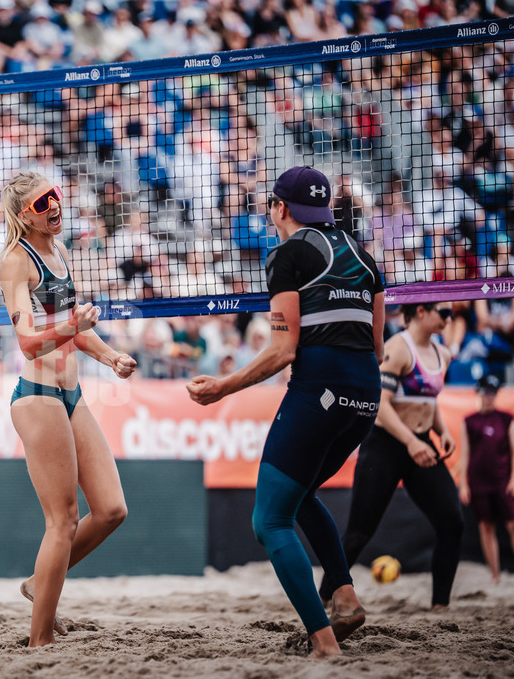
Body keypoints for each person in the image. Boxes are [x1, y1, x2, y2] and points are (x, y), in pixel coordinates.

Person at [188, 166, 385, 658]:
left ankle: (323, 644)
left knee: (269, 521)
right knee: (302, 493)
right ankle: (344, 595)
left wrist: (223, 387)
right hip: (366, 395)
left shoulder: (288, 252)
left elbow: (282, 350)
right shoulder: (364, 255)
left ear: (280, 208)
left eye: (271, 207)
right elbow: (377, 347)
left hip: (320, 388)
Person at [0, 172, 137, 647]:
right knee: (63, 521)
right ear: (23, 216)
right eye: (42, 204)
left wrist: (110, 355)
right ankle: (39, 643)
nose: (54, 206)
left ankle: (40, 584)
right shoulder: (16, 262)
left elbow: (71, 328)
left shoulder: (60, 251)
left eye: (55, 196)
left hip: (71, 394)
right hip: (37, 397)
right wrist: (71, 324)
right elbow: (30, 343)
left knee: (112, 509)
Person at [319, 302, 463, 610]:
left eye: (451, 312)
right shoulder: (398, 348)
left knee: (452, 522)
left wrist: (442, 431)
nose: (449, 318)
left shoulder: (442, 352)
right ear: (421, 311)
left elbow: (429, 399)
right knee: (359, 532)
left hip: (421, 443)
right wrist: (412, 442)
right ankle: (323, 597)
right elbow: (380, 406)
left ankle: (440, 605)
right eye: (444, 311)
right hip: (385, 445)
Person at [457, 374, 514, 583]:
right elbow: (465, 454)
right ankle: (495, 576)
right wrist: (464, 484)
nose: (489, 396)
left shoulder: (506, 418)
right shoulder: (469, 421)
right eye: (486, 391)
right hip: (479, 482)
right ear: (479, 392)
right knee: (486, 526)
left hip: (502, 480)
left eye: (493, 392)